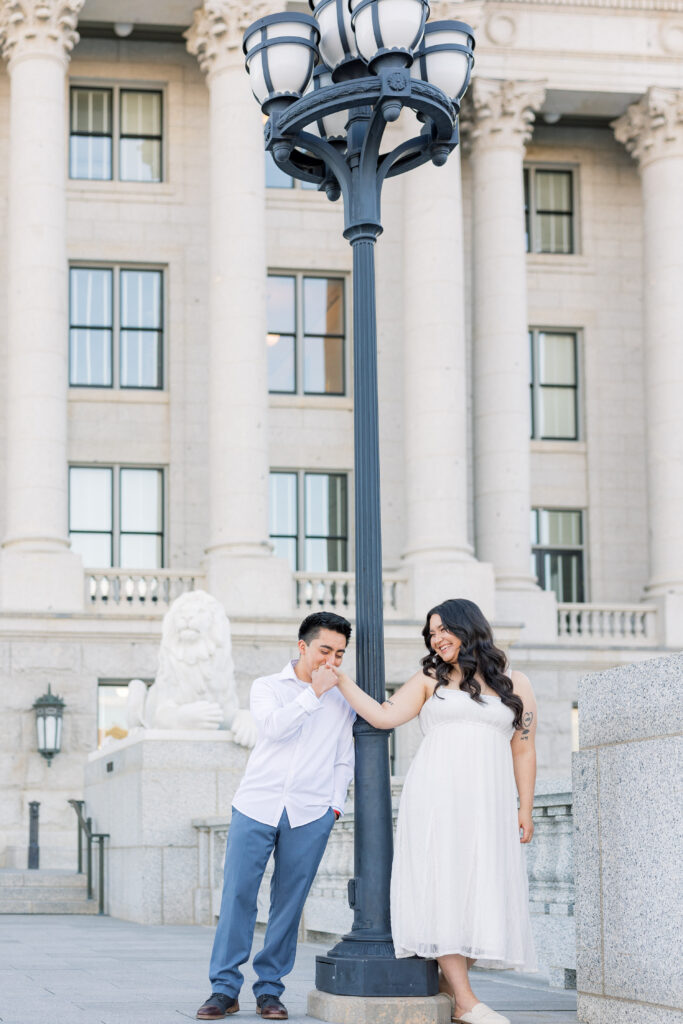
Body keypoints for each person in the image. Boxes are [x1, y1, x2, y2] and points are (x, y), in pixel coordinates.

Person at [335, 598, 537, 1024]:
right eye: (431, 632)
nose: (436, 638)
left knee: (480, 888)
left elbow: (524, 749)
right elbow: (383, 716)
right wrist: (341, 681)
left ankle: (451, 986)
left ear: (470, 628)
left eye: (443, 628)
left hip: (489, 801)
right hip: (437, 797)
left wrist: (526, 807)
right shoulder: (432, 678)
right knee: (444, 884)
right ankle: (465, 1002)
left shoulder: (515, 682)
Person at [196, 611, 355, 1022]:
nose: (331, 662)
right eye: (325, 650)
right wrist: (313, 694)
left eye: (339, 654)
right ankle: (224, 988)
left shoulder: (343, 700)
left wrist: (333, 808)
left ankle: (270, 990)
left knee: (288, 904)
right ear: (302, 647)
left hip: (310, 814)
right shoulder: (266, 687)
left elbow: (343, 760)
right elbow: (272, 730)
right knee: (237, 897)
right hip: (256, 806)